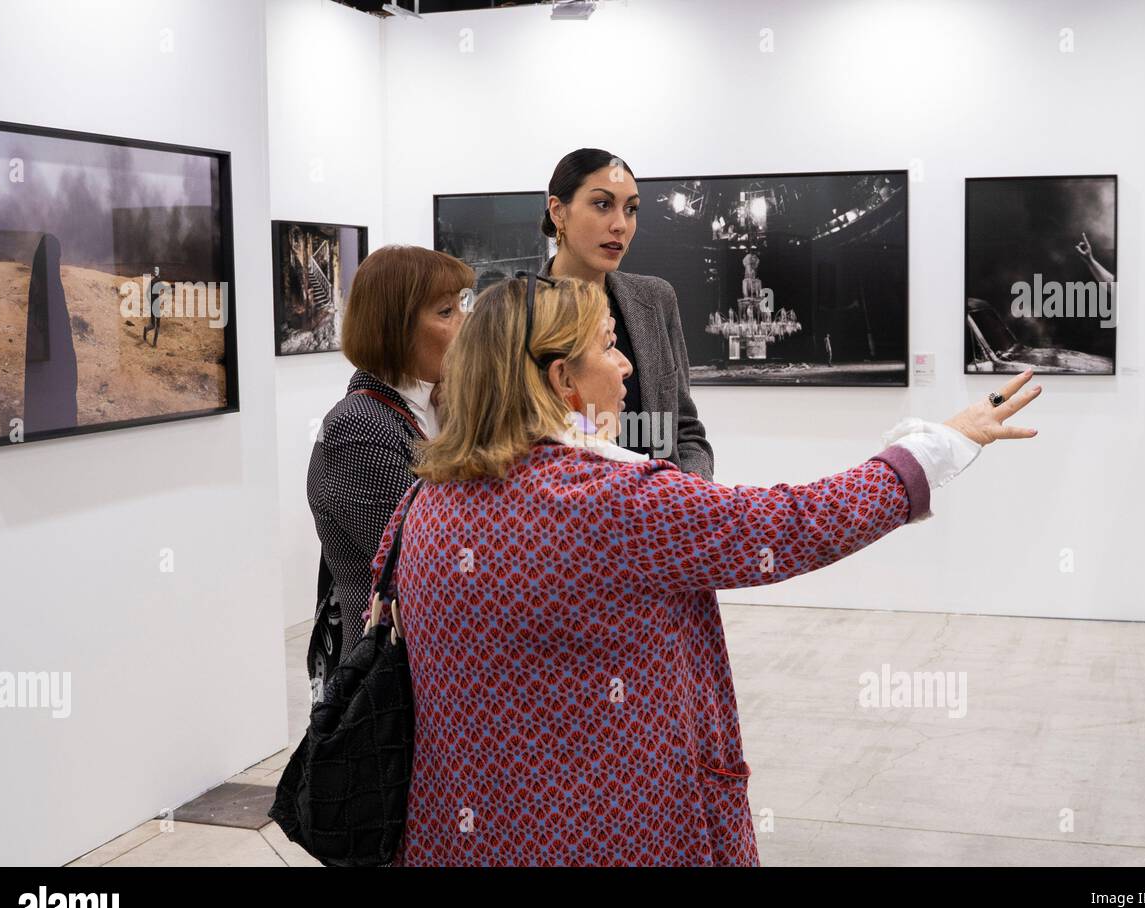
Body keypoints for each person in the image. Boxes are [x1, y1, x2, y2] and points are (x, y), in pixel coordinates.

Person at [370, 273, 1041, 866]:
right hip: (609, 836)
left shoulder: (426, 498)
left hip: (459, 834)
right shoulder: (608, 501)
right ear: (562, 380)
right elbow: (793, 525)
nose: (627, 364)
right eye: (608, 345)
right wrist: (938, 448)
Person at [307, 244, 473, 658]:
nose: (465, 323)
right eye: (446, 312)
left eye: (461, 305)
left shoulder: (437, 404)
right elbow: (422, 563)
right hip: (387, 678)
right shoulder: (358, 426)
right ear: (396, 329)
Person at [541, 147, 712, 477]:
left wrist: (688, 497)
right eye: (602, 204)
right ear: (558, 211)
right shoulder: (516, 314)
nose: (620, 224)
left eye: (630, 209)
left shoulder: (655, 299)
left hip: (658, 516)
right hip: (564, 519)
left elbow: (686, 432)